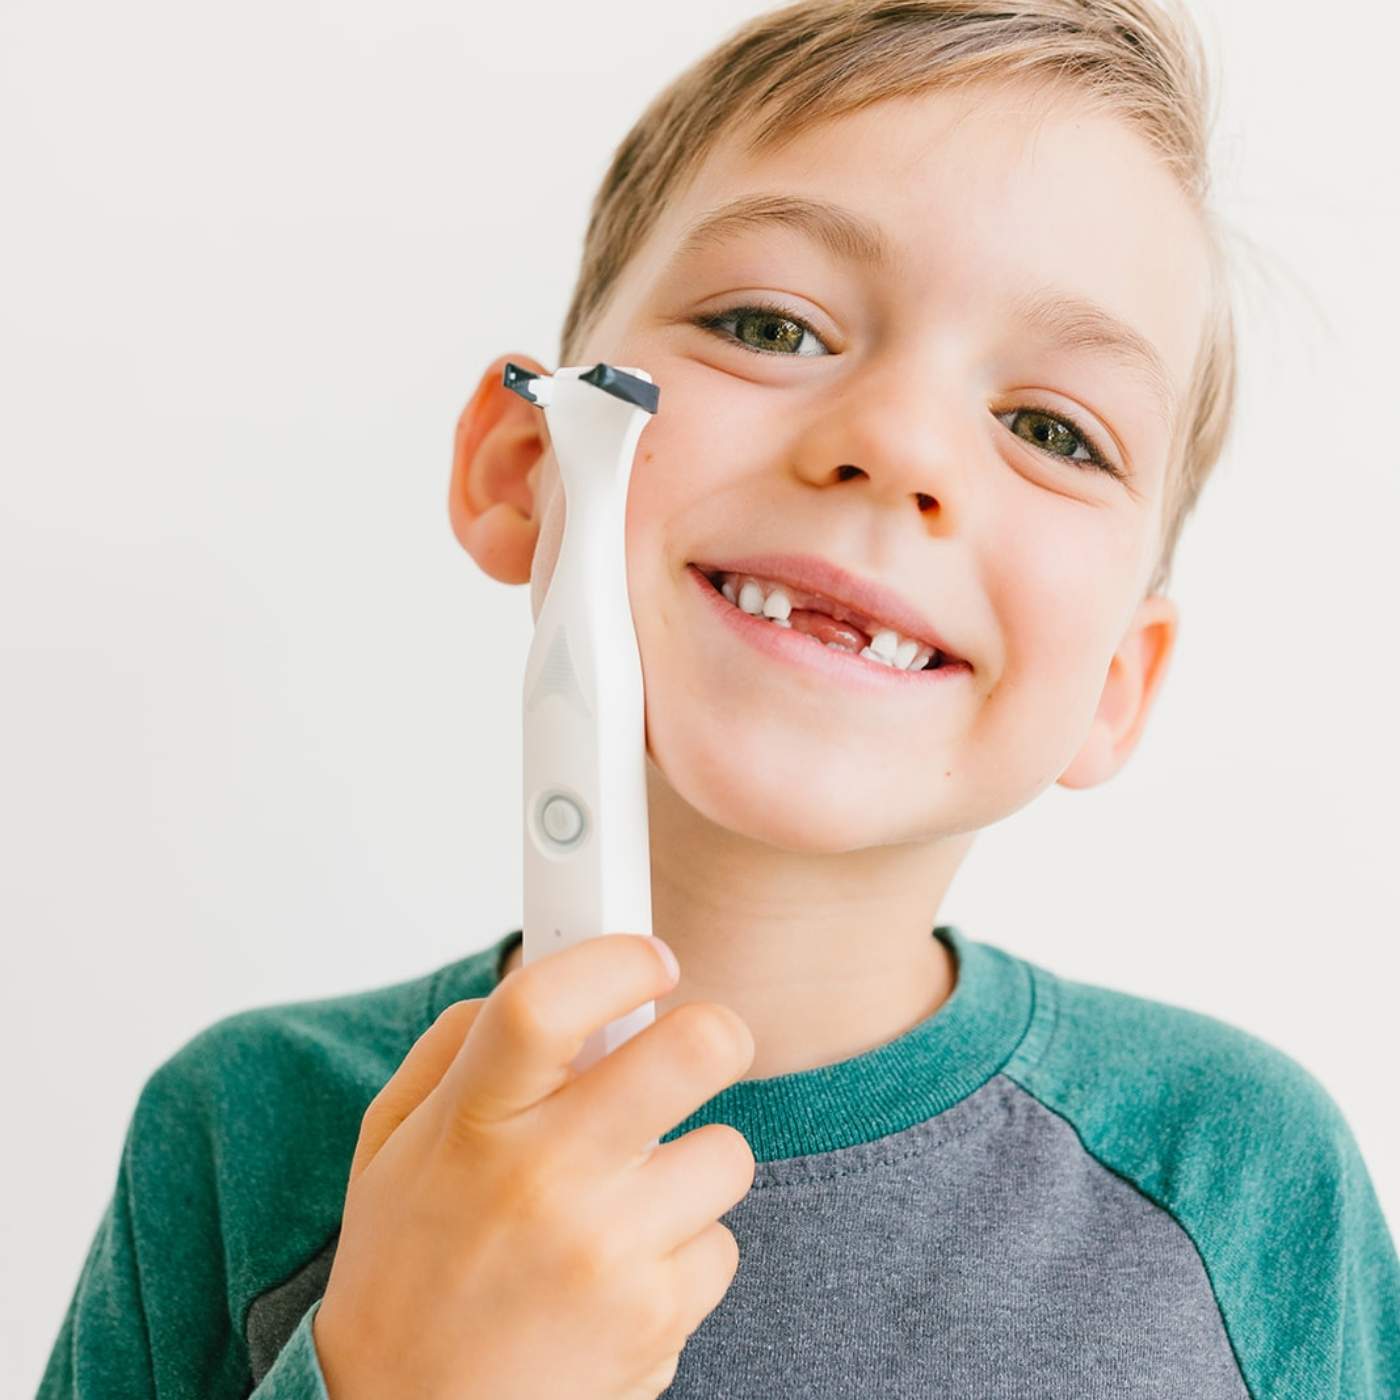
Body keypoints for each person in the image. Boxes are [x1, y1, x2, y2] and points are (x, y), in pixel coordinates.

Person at [37, 1, 1400, 1396]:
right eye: (771, 324)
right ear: (527, 467)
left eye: (1052, 431)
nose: (895, 443)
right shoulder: (243, 1137)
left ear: (1117, 682)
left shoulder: (1241, 1179)